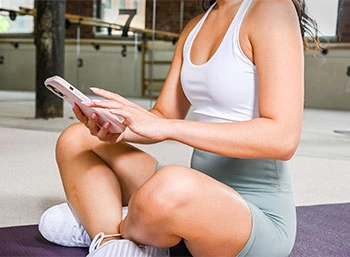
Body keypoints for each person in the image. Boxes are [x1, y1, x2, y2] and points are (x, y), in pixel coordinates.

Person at [39, 0, 321, 256]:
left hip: (256, 215)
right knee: (76, 140)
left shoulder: (272, 8)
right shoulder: (194, 28)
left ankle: (113, 221)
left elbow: (282, 138)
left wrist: (171, 128)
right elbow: (162, 114)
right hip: (195, 189)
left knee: (170, 186)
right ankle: (113, 241)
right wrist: (119, 126)